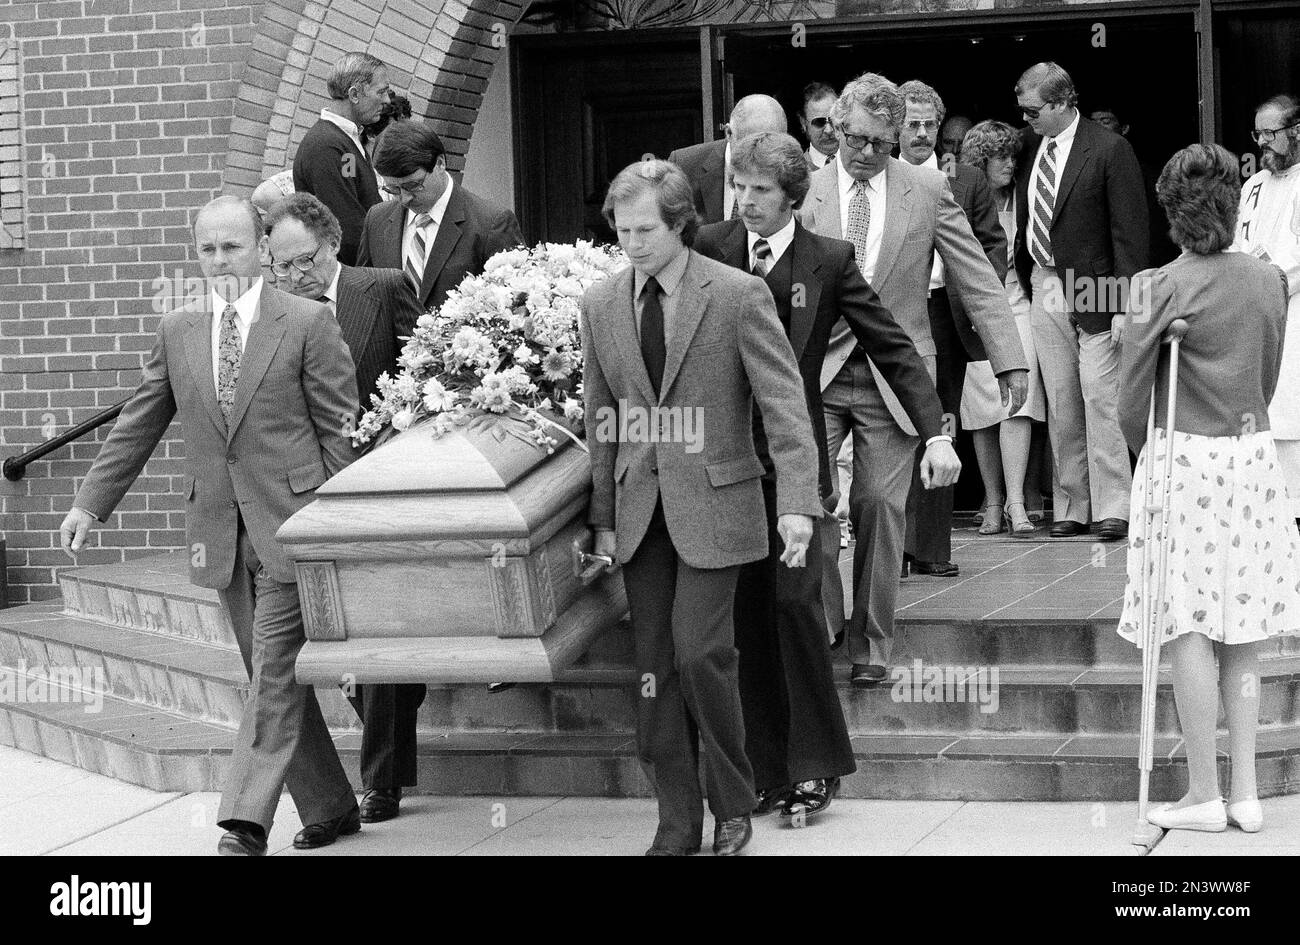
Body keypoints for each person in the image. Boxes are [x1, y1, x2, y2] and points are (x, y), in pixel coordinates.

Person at [59, 196, 362, 856]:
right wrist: (90, 502)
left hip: (295, 526)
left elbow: (340, 433)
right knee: (270, 676)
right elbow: (140, 420)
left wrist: (344, 530)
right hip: (221, 531)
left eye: (232, 246)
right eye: (207, 249)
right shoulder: (179, 329)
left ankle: (243, 820)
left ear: (260, 247)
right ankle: (333, 804)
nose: (220, 260)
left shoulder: (308, 322)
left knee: (274, 675)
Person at [695, 132, 944, 820]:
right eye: (740, 187)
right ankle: (768, 767)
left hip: (795, 465)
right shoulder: (707, 248)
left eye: (761, 191)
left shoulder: (827, 260)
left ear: (793, 197)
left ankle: (816, 763)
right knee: (746, 615)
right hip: (722, 467)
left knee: (796, 606)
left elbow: (890, 343)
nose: (746, 201)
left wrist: (935, 430)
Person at [581, 159, 823, 855]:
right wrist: (600, 517)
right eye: (622, 230)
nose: (633, 243)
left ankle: (734, 798)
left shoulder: (738, 295)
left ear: (681, 223)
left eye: (646, 230)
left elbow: (784, 406)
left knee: (701, 653)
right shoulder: (599, 303)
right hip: (638, 510)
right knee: (653, 666)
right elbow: (603, 417)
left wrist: (799, 504)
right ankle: (676, 820)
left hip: (719, 503)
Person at [800, 73, 1026, 687]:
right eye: (853, 139)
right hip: (813, 373)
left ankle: (872, 643)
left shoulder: (927, 189)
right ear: (836, 129)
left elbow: (974, 272)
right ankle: (824, 626)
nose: (865, 152)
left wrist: (1008, 357)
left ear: (897, 135)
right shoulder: (806, 190)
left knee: (877, 503)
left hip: (895, 377)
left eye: (879, 141)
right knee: (811, 502)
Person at [1116, 143, 1297, 834]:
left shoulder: (1157, 285)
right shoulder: (1267, 280)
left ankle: (1203, 791)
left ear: (1171, 212)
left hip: (1183, 461)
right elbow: (1269, 372)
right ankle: (1246, 792)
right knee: (1242, 627)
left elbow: (1133, 400)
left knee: (1187, 622)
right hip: (1250, 458)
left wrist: (1147, 450)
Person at [1013, 62, 1149, 542]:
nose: (1024, 117)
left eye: (1032, 109)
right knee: (1061, 396)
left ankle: (1116, 505)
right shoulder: (1030, 144)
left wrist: (1123, 304)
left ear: (1061, 102)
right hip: (1046, 279)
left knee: (1100, 394)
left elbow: (1130, 233)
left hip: (1098, 287)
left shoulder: (1110, 148)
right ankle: (1072, 503)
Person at [897, 80, 1008, 576]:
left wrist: (974, 297)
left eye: (930, 125)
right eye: (912, 124)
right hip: (891, 314)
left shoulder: (966, 180)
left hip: (943, 313)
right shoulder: (879, 178)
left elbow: (992, 247)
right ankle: (892, 545)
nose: (922, 134)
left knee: (941, 426)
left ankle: (932, 549)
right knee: (892, 427)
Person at [958, 120, 1048, 535]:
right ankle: (992, 502)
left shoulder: (1026, 196)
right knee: (979, 411)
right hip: (975, 311)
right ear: (980, 160)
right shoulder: (961, 198)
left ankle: (1016, 502)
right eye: (1000, 156)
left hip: (1019, 305)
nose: (1010, 163)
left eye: (1013, 155)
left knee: (1019, 402)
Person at [357, 121, 523, 312]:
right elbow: (364, 299)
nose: (404, 198)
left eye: (413, 185)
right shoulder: (376, 220)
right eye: (393, 189)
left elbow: (515, 309)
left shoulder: (492, 224)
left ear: (440, 163)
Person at [1233, 94, 1300, 524]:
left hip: (1296, 309)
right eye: (1258, 134)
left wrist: (1273, 278)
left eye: (1270, 133)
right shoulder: (1252, 187)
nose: (1262, 143)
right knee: (1267, 414)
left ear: (1296, 131)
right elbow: (1238, 242)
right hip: (1256, 316)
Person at [292, 52, 391, 266]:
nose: (387, 100)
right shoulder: (327, 146)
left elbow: (354, 193)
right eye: (381, 91)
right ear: (354, 94)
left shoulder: (344, 141)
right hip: (355, 282)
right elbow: (346, 227)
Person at [668, 94, 788, 224]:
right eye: (751, 145)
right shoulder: (684, 166)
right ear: (729, 133)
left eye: (771, 145)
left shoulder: (794, 172)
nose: (760, 155)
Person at [800, 81, 840, 171]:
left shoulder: (860, 165)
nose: (829, 130)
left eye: (833, 119)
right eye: (819, 122)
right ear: (803, 123)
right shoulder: (796, 173)